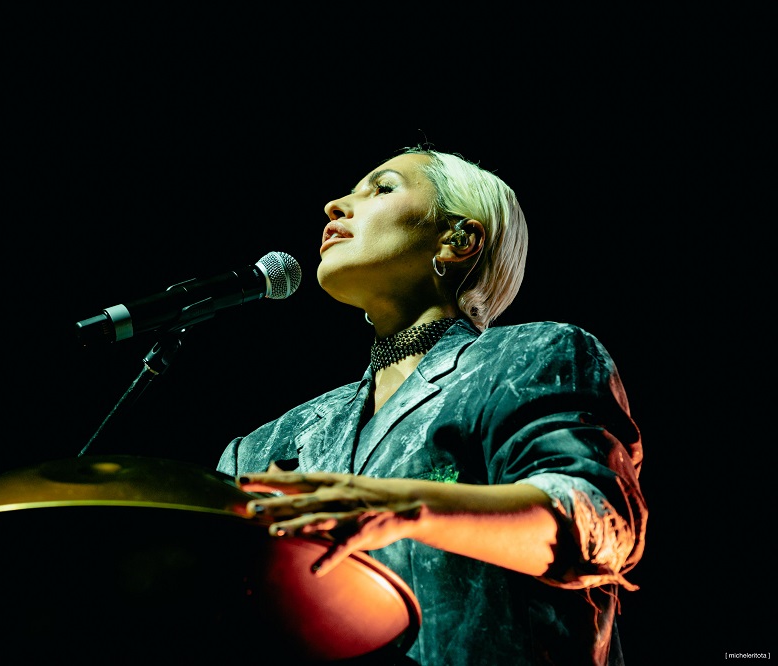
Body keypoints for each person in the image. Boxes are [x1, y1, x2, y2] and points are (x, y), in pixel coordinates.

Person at [217, 146, 647, 665]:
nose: (334, 205)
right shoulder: (263, 447)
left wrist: (406, 507)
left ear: (458, 239)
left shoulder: (531, 356)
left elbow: (596, 523)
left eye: (382, 187)